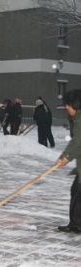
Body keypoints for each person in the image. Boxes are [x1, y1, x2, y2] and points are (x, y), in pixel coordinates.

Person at [56, 89, 81, 233]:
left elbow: (78, 142)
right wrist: (64, 156)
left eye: (68, 104)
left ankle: (76, 224)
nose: (66, 107)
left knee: (77, 192)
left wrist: (66, 157)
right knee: (77, 192)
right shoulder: (76, 118)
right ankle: (76, 223)